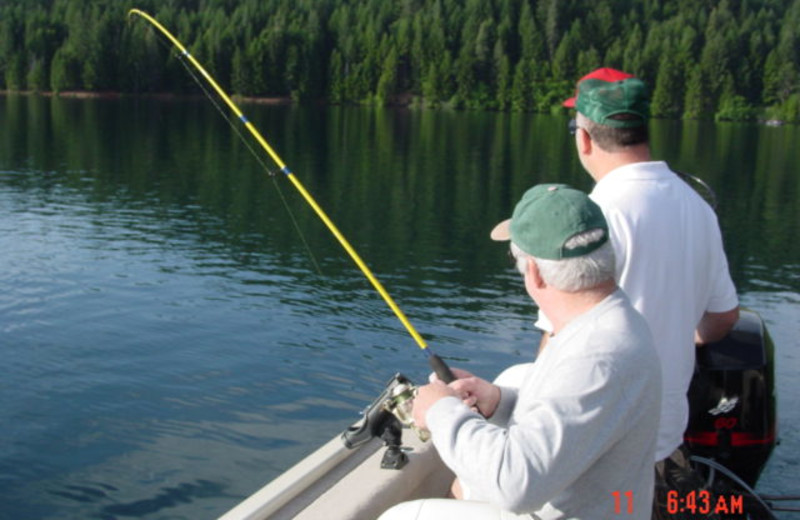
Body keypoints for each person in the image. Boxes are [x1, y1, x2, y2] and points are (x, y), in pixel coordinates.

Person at [379, 184, 661, 520]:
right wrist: (499, 401)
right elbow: (573, 417)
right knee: (514, 379)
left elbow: (515, 486)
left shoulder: (596, 356)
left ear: (536, 274)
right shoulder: (609, 322)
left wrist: (440, 411)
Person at [555, 68, 740, 516]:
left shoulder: (592, 217)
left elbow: (559, 339)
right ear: (641, 130)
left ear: (583, 137)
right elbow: (722, 319)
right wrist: (679, 332)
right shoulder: (697, 207)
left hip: (600, 454)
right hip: (664, 446)